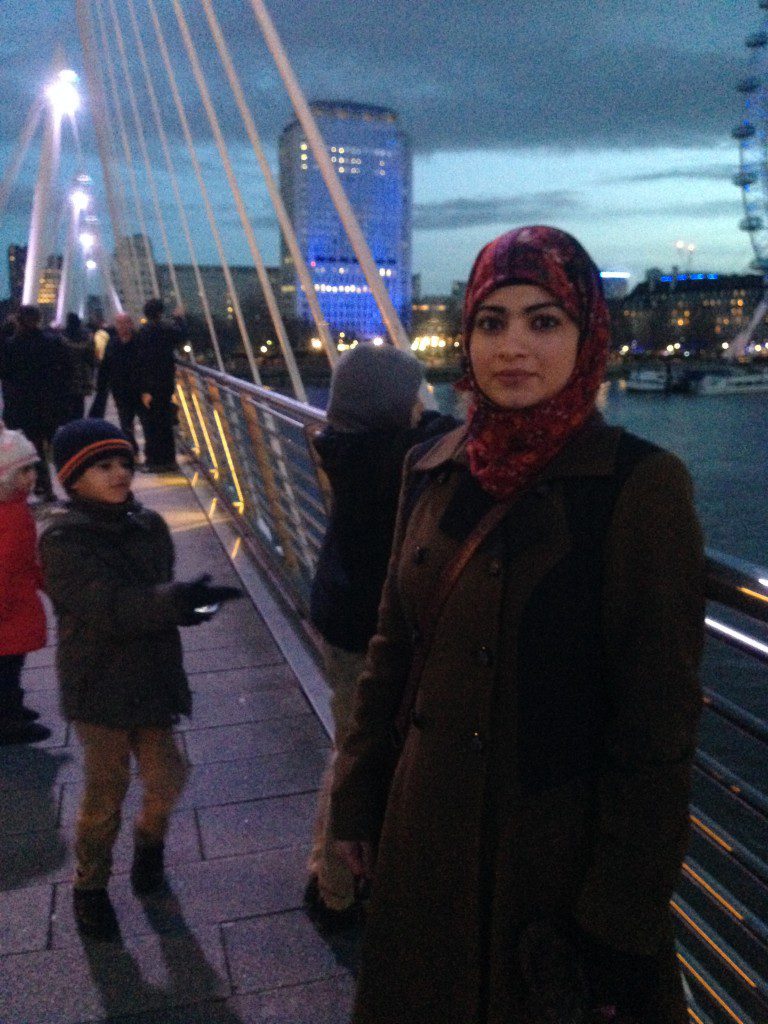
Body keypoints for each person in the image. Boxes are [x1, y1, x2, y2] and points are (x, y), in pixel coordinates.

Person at [330, 226, 705, 1024]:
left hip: (551, 864)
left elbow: (657, 723)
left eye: (544, 321)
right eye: (491, 322)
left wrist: (620, 921)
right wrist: (358, 802)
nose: (513, 347)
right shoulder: (431, 466)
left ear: (587, 335)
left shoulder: (640, 486)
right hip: (423, 835)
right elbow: (393, 651)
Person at [40, 418, 242, 940]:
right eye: (103, 466)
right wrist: (171, 603)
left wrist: (190, 603)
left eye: (125, 463)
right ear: (73, 478)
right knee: (106, 793)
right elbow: (105, 606)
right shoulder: (63, 541)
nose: (120, 473)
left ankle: (148, 852)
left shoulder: (148, 524)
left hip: (151, 675)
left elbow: (157, 593)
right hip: (99, 684)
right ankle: (90, 885)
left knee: (168, 778)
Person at [305, 343, 457, 931]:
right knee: (356, 753)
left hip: (340, 614)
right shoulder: (399, 456)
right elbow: (451, 432)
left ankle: (340, 874)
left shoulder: (345, 446)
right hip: (368, 627)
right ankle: (333, 889)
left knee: (352, 742)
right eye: (412, 394)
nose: (423, 405)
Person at [0, 422, 50, 745]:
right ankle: (7, 720)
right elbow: (7, 564)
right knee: (7, 665)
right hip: (8, 608)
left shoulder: (14, 507)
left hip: (13, 601)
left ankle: (11, 708)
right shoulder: (13, 516)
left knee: (10, 664)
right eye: (23, 472)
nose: (31, 477)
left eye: (32, 469)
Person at [0, 305, 70, 501]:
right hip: (50, 402)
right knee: (50, 443)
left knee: (35, 446)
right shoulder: (53, 342)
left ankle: (43, 485)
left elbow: (4, 371)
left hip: (23, 405)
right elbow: (66, 370)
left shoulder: (11, 345)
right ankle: (58, 482)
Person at [136, 297, 180, 472]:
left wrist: (143, 388)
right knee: (165, 423)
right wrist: (178, 318)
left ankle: (154, 461)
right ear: (161, 313)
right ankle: (168, 460)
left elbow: (139, 362)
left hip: (149, 385)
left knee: (151, 425)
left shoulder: (142, 333)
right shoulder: (167, 330)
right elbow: (182, 335)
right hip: (165, 382)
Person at [89, 313, 144, 452]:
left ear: (131, 324)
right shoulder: (112, 343)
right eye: (118, 323)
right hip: (120, 390)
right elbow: (105, 366)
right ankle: (132, 451)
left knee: (146, 421)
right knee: (125, 422)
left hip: (140, 389)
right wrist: (101, 385)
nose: (121, 326)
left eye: (125, 323)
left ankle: (151, 454)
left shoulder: (140, 342)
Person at [60, 312, 96, 422]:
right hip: (82, 375)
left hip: (66, 375)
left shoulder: (62, 337)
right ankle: (79, 423)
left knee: (67, 402)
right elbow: (91, 358)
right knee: (79, 402)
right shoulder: (87, 337)